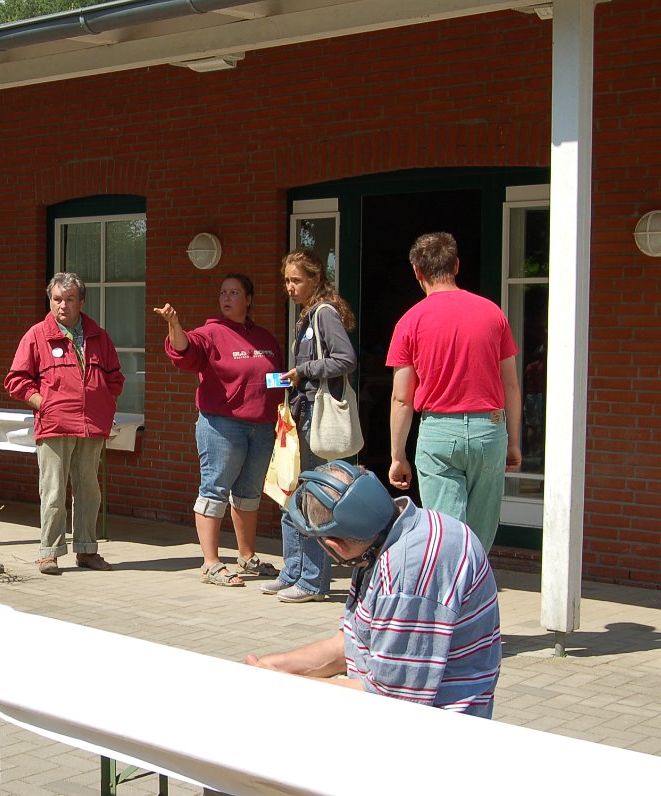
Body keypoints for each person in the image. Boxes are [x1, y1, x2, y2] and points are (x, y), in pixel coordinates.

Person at [245, 461, 501, 718]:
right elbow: (349, 644)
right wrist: (269, 668)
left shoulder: (405, 576)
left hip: (437, 731)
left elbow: (392, 702)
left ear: (336, 544)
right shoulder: (389, 532)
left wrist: (287, 687)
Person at [387, 231, 522, 551]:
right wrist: (513, 442)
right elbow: (512, 386)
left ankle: (450, 594)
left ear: (417, 272)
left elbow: (402, 398)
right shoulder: (493, 314)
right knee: (480, 534)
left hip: (438, 432)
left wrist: (397, 456)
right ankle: (473, 590)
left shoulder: (410, 321)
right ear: (457, 265)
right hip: (489, 427)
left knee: (445, 533)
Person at [154, 274, 283, 587]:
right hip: (222, 425)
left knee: (249, 494)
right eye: (223, 292)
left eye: (234, 292)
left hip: (262, 426)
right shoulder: (210, 333)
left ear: (248, 299)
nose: (227, 298)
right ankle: (211, 563)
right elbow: (185, 353)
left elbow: (275, 378)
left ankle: (246, 555)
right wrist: (174, 325)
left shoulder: (265, 338)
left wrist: (297, 381)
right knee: (215, 490)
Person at [6, 273, 124, 575]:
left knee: (89, 491)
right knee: (54, 491)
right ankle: (49, 553)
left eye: (69, 299)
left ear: (81, 302)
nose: (63, 306)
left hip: (91, 426)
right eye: (57, 299)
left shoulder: (100, 336)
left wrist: (104, 405)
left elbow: (115, 378)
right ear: (50, 300)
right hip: (55, 424)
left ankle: (86, 551)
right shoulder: (36, 335)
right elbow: (16, 380)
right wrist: (43, 403)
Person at [261, 250, 358, 603]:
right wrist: (290, 380)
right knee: (291, 494)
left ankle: (314, 581)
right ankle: (293, 572)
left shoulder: (324, 313)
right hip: (300, 414)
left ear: (315, 279)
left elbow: (345, 360)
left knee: (313, 500)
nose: (289, 287)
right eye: (286, 279)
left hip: (318, 418)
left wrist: (305, 371)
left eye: (296, 280)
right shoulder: (305, 316)